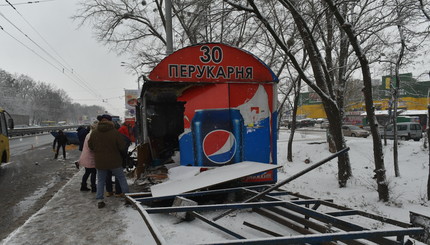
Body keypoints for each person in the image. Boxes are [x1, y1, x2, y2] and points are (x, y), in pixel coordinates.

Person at [88, 114, 129, 208]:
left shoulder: (94, 133)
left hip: (100, 162)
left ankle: (100, 200)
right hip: (115, 161)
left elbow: (90, 146)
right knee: (121, 178)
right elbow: (122, 146)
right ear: (111, 122)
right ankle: (128, 198)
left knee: (101, 181)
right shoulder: (115, 132)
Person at [78, 121, 98, 192]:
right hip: (90, 157)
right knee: (93, 172)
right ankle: (93, 187)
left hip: (86, 156)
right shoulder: (92, 135)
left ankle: (83, 186)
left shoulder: (89, 134)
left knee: (87, 172)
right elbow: (92, 147)